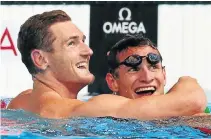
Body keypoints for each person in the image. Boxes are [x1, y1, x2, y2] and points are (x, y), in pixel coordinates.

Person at [7, 10, 207, 119]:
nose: (88, 51)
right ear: (40, 59)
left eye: (83, 40)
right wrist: (187, 81)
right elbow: (192, 100)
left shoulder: (21, 102)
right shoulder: (81, 111)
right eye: (72, 43)